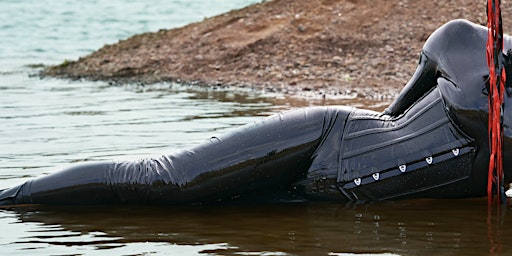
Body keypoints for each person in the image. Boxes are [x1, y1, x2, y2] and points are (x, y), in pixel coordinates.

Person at [1, 19, 512, 206]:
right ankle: (8, 199)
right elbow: (395, 112)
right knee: (164, 182)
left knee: (224, 217)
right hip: (327, 142)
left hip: (340, 201)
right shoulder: (466, 41)